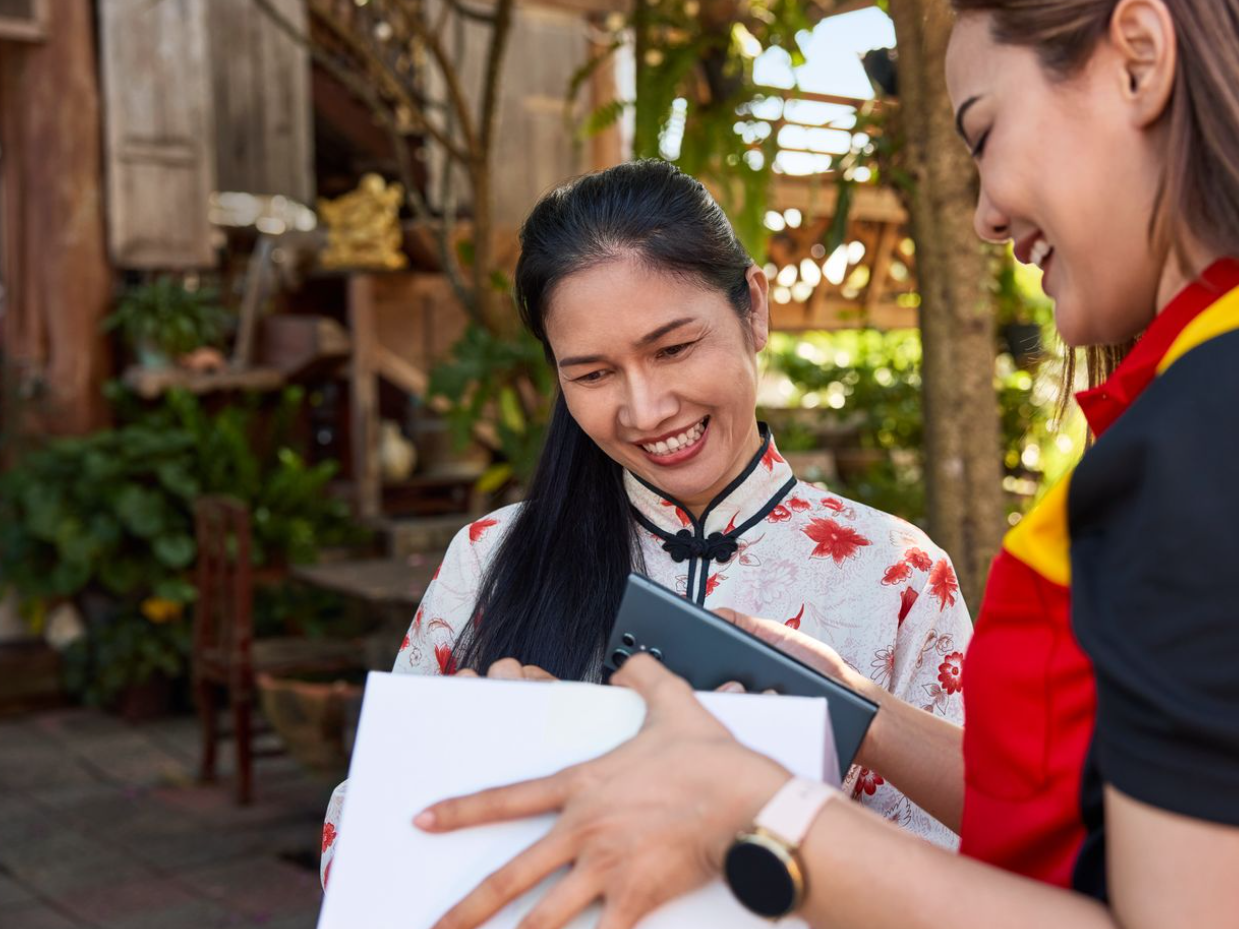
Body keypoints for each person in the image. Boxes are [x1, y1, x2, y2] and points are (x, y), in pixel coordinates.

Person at [406, 1, 1239, 928]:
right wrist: (847, 705)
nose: (982, 210)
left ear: (1140, 58)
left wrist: (755, 812)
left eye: (981, 130)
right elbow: (1123, 816)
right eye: (591, 370)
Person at [318, 160, 974, 886]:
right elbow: (356, 836)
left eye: (673, 349)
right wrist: (487, 755)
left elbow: (966, 870)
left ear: (753, 307)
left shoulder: (897, 575)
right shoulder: (489, 554)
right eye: (594, 374)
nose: (646, 409)